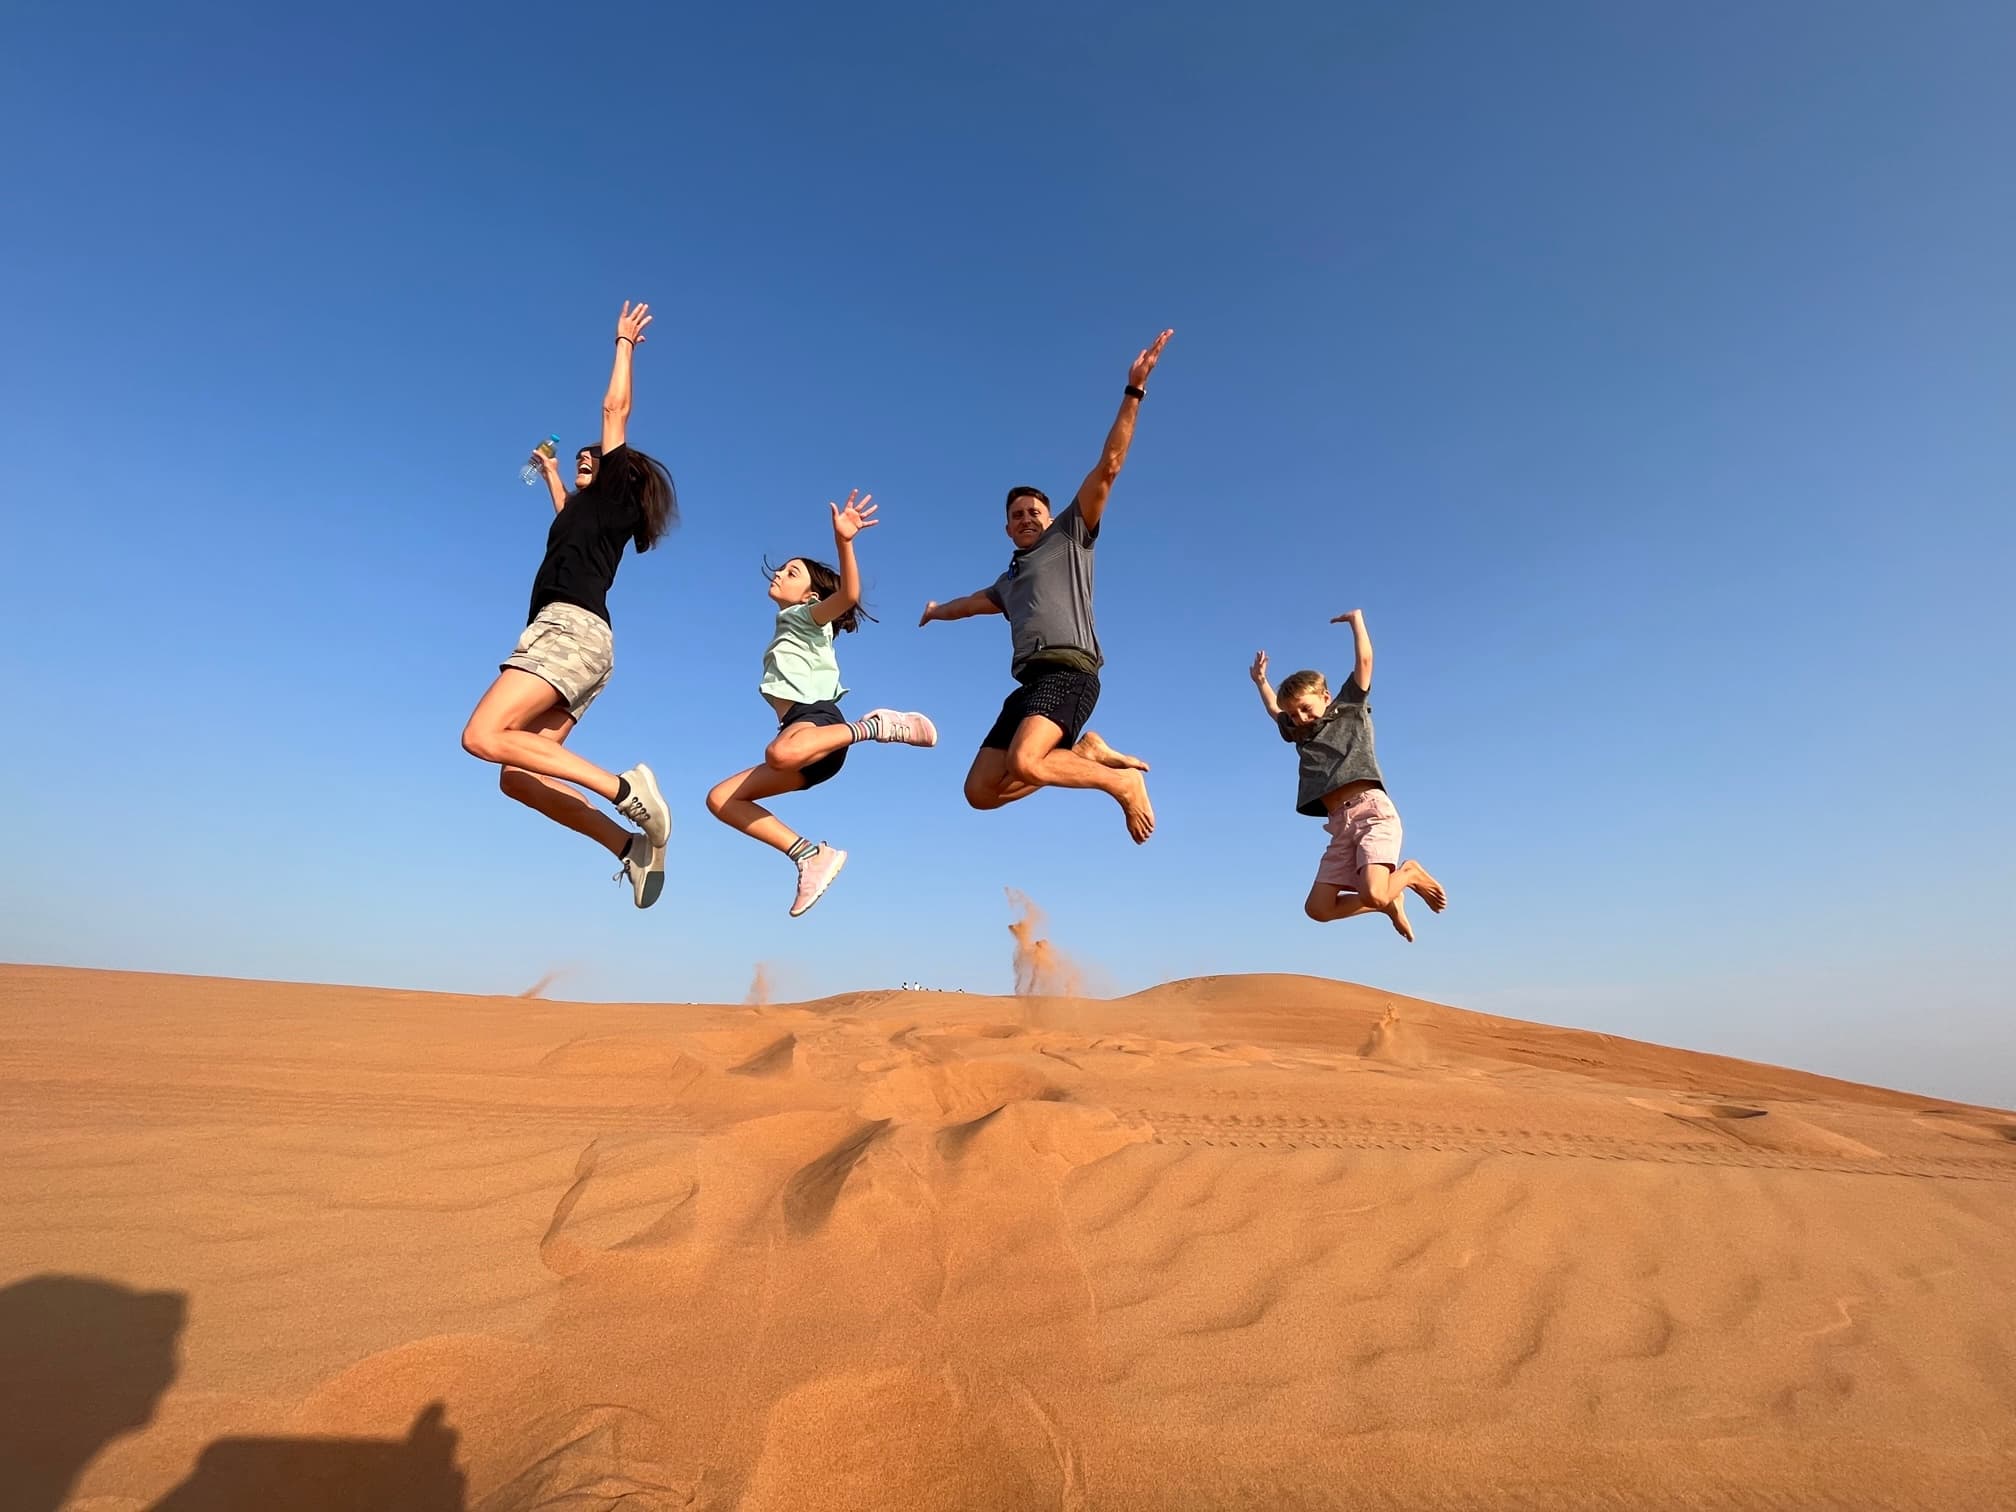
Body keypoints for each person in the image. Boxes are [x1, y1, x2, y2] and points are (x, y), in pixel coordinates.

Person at [461, 301, 678, 908]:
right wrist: (553, 472)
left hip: (568, 631)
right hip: (584, 645)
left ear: (619, 475)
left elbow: (614, 410)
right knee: (517, 776)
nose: (589, 458)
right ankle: (629, 846)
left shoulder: (615, 496)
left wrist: (623, 344)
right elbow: (565, 515)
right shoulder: (588, 513)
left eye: (595, 458)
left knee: (482, 734)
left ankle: (624, 789)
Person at [918, 331, 1172, 843]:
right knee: (981, 791)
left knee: (1027, 761)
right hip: (1028, 685)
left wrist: (1134, 391)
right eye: (1017, 515)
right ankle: (1083, 753)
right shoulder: (1008, 581)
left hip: (1070, 671)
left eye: (1034, 511)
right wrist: (936, 609)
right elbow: (968, 605)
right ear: (1007, 530)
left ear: (1050, 517)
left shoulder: (1070, 536)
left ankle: (1120, 782)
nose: (1027, 517)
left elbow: (1109, 466)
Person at [705, 491, 938, 917]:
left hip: (817, 723)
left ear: (811, 596)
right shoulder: (791, 623)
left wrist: (844, 541)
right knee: (721, 799)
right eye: (782, 568)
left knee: (778, 754)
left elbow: (848, 594)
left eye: (791, 572)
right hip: (810, 749)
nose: (780, 573)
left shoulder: (806, 617)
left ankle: (876, 726)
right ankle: (809, 856)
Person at [1250, 609, 1447, 940]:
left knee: (1375, 891)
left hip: (1371, 812)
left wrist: (1356, 622)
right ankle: (1387, 901)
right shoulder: (1299, 731)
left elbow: (1365, 662)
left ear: (1325, 697)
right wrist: (1261, 682)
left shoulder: (1347, 709)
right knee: (1318, 909)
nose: (1300, 717)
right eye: (1294, 714)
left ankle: (1409, 874)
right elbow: (1275, 710)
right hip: (1340, 825)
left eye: (1306, 708)